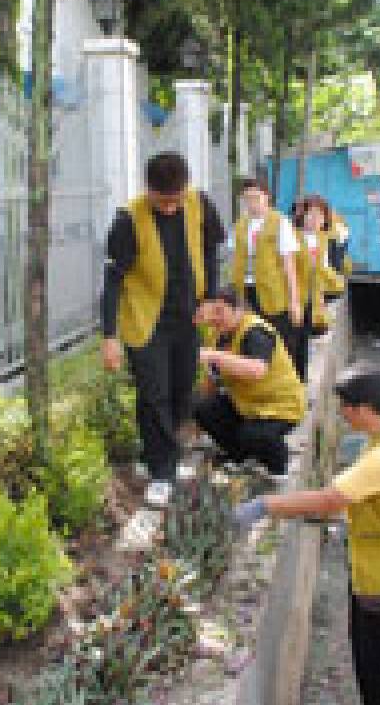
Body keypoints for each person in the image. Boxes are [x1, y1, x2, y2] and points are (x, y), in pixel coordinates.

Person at [232, 372, 380, 705]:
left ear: (366, 409)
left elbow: (329, 500)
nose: (343, 413)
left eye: (347, 407)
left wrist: (265, 505)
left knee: (378, 672)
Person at [100, 152, 226, 507]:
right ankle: (161, 471)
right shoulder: (128, 220)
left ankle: (160, 455)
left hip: (188, 319)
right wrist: (109, 336)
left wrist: (211, 297)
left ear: (186, 188)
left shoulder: (199, 203)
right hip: (146, 322)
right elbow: (112, 281)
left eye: (176, 201)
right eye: (162, 202)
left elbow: (211, 249)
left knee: (181, 391)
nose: (170, 208)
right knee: (154, 393)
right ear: (148, 190)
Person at [191, 286, 306, 478]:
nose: (215, 318)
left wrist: (213, 356)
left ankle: (279, 464)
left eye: (220, 312)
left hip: (281, 407)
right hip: (246, 404)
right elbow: (211, 378)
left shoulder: (255, 332)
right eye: (212, 312)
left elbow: (256, 370)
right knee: (201, 407)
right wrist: (201, 419)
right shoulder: (218, 336)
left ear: (239, 310)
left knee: (252, 435)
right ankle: (238, 455)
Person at [229, 180, 303, 374]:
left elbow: (289, 264)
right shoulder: (240, 225)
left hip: (273, 291)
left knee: (279, 336)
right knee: (251, 334)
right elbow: (234, 257)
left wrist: (294, 301)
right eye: (247, 199)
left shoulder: (279, 222)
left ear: (266, 197)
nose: (252, 203)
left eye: (256, 198)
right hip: (245, 289)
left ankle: (285, 377)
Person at [292, 194, 343, 379]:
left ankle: (301, 381)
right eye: (310, 214)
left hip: (313, 299)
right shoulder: (292, 238)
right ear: (301, 216)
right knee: (292, 342)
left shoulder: (325, 240)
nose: (314, 219)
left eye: (319, 215)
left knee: (305, 343)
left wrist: (331, 288)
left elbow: (328, 269)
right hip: (294, 299)